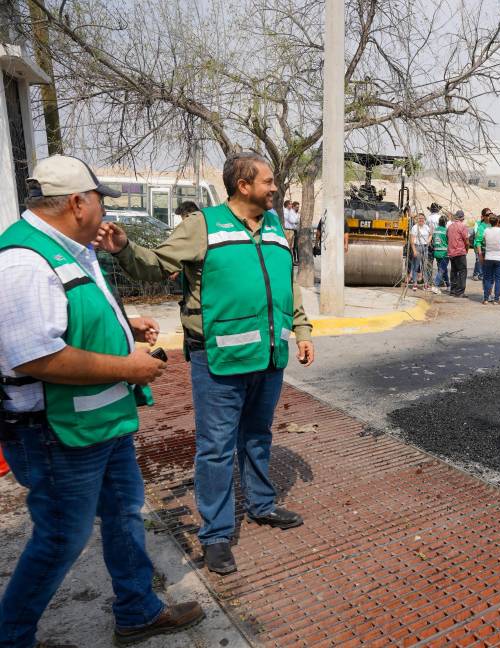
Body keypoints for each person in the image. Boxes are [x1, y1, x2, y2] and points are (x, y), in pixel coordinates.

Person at [0, 155, 203, 646]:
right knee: (61, 538)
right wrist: (127, 366)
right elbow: (33, 356)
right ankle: (11, 635)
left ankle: (137, 610)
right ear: (76, 202)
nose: (101, 210)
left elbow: (68, 314)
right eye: (97, 200)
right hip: (54, 431)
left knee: (123, 512)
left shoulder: (68, 248)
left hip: (98, 422)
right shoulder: (24, 261)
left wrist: (122, 325)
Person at [96, 152, 315, 575]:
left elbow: (287, 287)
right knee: (215, 450)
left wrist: (302, 331)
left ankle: (262, 505)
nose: (274, 188)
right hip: (218, 360)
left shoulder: (273, 226)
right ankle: (216, 534)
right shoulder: (204, 225)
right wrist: (123, 247)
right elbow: (157, 266)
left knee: (258, 437)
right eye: (267, 182)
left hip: (269, 357)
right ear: (243, 186)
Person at [481, 214, 500, 304]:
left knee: (488, 279)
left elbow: (484, 241)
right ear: (498, 222)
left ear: (490, 222)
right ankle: (496, 299)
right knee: (498, 280)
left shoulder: (486, 230)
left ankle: (486, 298)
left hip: (489, 256)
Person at [447, 210, 470, 297]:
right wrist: (466, 250)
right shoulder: (462, 226)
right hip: (460, 252)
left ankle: (453, 290)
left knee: (453, 271)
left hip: (451, 252)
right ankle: (460, 291)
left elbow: (447, 237)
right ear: (462, 218)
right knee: (462, 271)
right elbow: (467, 241)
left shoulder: (450, 226)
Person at [409, 212, 431, 291]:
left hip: (425, 247)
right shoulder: (414, 228)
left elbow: (431, 234)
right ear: (417, 219)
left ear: (424, 219)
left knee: (425, 267)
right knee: (416, 266)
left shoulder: (426, 227)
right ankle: (415, 284)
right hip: (417, 247)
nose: (421, 220)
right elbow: (412, 240)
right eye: (419, 218)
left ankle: (426, 284)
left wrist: (428, 241)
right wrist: (414, 250)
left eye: (422, 218)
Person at [431, 214, 450, 291]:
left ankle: (448, 285)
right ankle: (435, 285)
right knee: (441, 270)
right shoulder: (446, 230)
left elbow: (432, 240)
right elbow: (449, 241)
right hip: (444, 253)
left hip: (436, 252)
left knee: (443, 269)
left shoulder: (435, 230)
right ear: (445, 222)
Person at [471, 208, 491, 281]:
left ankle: (482, 274)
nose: (489, 216)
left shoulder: (493, 224)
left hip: (490, 250)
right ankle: (476, 274)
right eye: (487, 215)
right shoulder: (480, 226)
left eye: (490, 214)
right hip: (481, 248)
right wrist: (479, 253)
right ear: (483, 216)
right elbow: (478, 240)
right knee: (478, 260)